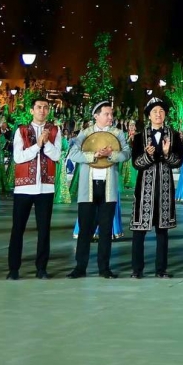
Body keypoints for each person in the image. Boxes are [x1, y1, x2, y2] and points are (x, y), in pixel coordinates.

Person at [67, 99, 129, 279]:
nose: (110, 117)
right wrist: (94, 155)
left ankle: (104, 268)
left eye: (111, 114)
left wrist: (111, 154)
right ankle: (80, 267)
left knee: (106, 229)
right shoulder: (85, 133)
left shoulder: (118, 133)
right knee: (85, 229)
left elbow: (126, 153)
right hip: (88, 188)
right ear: (96, 116)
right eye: (106, 114)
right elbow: (73, 154)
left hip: (108, 188)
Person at [7, 95, 63, 279]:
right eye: (39, 107)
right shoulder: (21, 130)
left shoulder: (54, 130)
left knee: (44, 230)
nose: (42, 110)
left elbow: (56, 156)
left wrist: (46, 143)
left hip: (45, 188)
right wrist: (37, 145)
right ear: (32, 110)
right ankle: (13, 269)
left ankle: (41, 268)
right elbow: (18, 157)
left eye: (45, 107)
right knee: (18, 229)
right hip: (24, 188)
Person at [129, 96, 182, 278]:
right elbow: (136, 163)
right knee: (139, 231)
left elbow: (178, 162)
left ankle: (161, 269)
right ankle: (137, 269)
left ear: (165, 114)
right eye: (154, 111)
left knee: (162, 232)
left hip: (164, 190)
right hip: (144, 190)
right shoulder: (139, 137)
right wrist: (148, 156)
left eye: (161, 111)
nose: (158, 114)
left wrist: (167, 154)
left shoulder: (174, 136)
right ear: (149, 115)